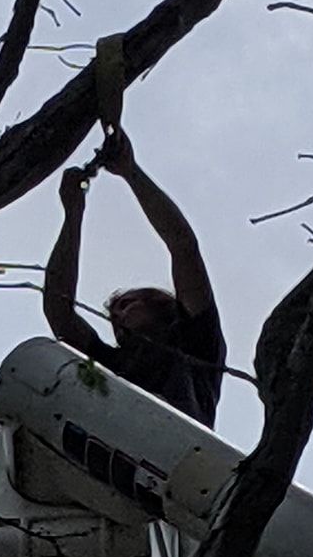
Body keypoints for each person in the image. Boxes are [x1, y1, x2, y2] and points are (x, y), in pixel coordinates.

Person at [43, 129, 225, 426]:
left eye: (127, 304)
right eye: (114, 317)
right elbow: (58, 311)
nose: (118, 317)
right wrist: (72, 214)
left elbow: (183, 247)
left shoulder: (196, 341)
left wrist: (131, 172)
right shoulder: (114, 365)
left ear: (157, 304)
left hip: (182, 445)